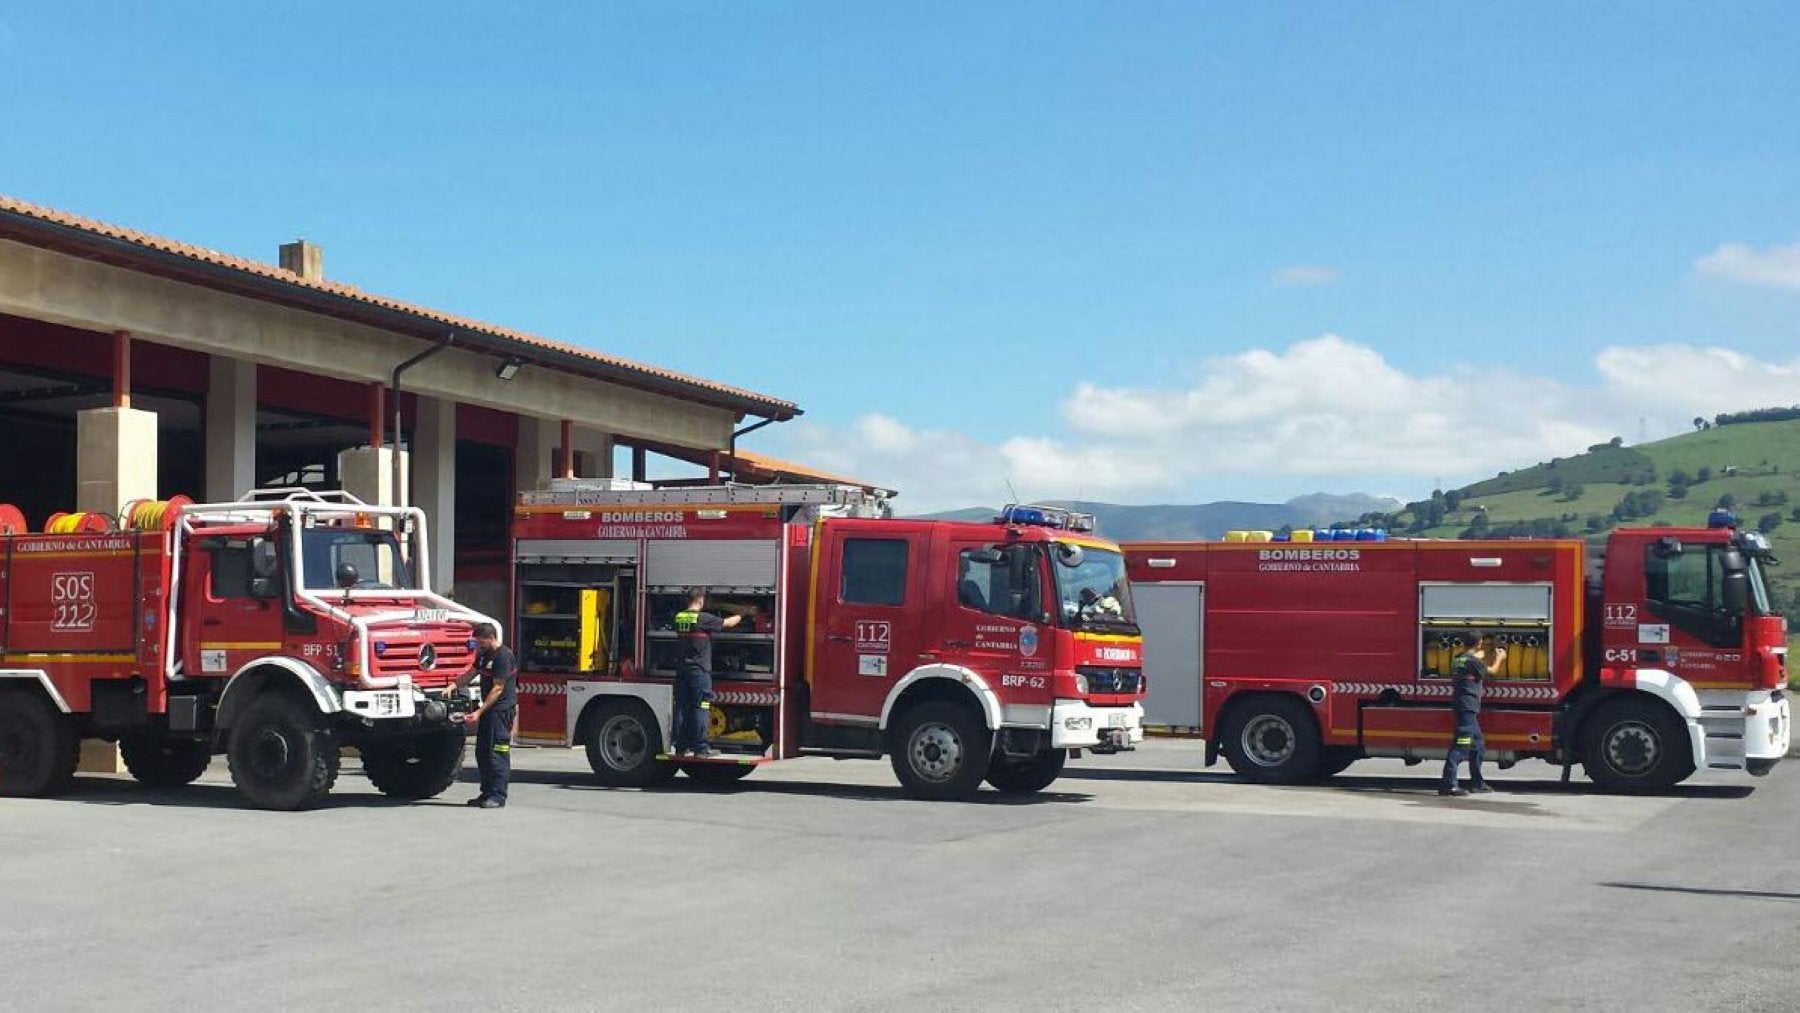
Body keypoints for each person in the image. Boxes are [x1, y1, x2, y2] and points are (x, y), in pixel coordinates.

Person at [450, 622, 517, 809]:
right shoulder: (483, 655)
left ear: (491, 638)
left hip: (501, 711)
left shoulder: (503, 656)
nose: (479, 645)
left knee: (497, 754)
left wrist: (478, 712)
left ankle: (498, 795)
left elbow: (498, 688)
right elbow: (470, 674)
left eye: (481, 641)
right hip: (488, 712)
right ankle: (486, 793)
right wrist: (453, 686)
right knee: (483, 753)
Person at [672, 587, 741, 758]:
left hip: (682, 670)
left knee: (682, 707)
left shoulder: (679, 617)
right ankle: (701, 748)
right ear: (701, 600)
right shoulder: (703, 618)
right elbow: (726, 623)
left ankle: (681, 747)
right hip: (699, 671)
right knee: (701, 707)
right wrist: (742, 614)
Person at [1440, 633, 1502, 796]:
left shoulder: (1458, 658)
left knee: (1478, 746)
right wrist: (1499, 658)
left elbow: (1470, 660)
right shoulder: (1474, 662)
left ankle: (1477, 783)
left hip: (1463, 706)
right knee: (1461, 746)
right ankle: (1448, 785)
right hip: (1468, 707)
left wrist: (1479, 655)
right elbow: (1493, 671)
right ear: (1479, 643)